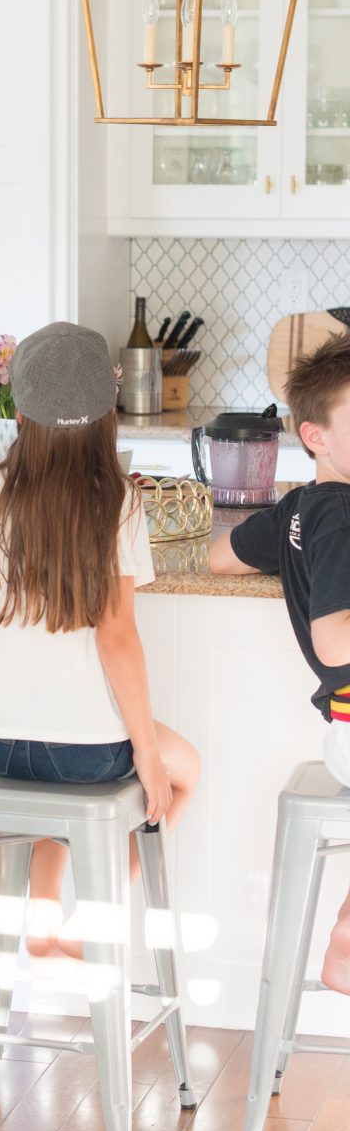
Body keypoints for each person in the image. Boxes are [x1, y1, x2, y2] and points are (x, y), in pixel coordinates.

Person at [0, 322, 199, 959]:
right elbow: (118, 638)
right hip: (92, 756)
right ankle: (90, 918)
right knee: (185, 772)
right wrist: (147, 754)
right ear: (110, 417)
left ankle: (42, 918)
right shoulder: (118, 504)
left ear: (17, 413)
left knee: (49, 796)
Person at [209, 332, 350, 995]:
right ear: (315, 436)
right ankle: (346, 942)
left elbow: (220, 557)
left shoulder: (300, 508)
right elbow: (334, 641)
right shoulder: (344, 518)